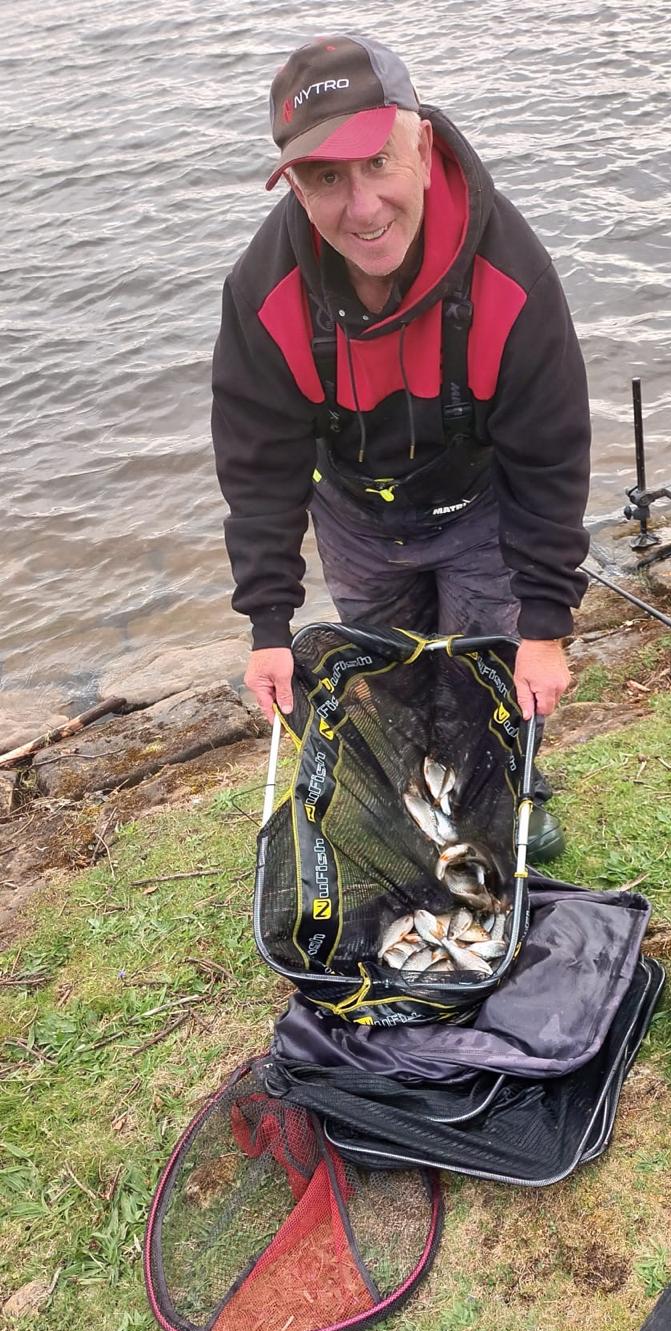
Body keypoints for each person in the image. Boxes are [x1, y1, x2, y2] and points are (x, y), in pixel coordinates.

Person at [211, 33, 591, 861]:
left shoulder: (513, 278)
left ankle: (503, 795)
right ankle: (426, 806)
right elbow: (258, 467)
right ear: (297, 188)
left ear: (421, 144)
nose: (363, 207)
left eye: (378, 163)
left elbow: (551, 463)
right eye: (326, 179)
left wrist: (547, 624)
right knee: (394, 685)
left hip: (482, 506)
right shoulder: (262, 293)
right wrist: (268, 625)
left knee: (485, 677)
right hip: (355, 515)